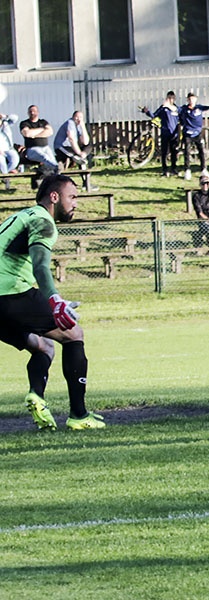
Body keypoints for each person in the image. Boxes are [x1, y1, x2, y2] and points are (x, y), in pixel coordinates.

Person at [0, 174, 105, 430]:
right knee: (73, 334)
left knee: (44, 346)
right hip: (10, 294)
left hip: (5, 300)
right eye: (72, 197)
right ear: (54, 197)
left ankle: (36, 396)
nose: (76, 203)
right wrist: (55, 300)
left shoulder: (20, 216)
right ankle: (79, 416)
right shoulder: (43, 222)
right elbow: (40, 266)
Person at [179, 92, 209, 180]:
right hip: (188, 134)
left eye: (193, 99)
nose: (191, 101)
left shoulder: (199, 108)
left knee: (201, 151)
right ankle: (187, 170)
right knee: (187, 152)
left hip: (197, 133)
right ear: (188, 100)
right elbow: (176, 110)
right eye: (190, 99)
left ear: (196, 99)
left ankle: (204, 169)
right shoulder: (184, 109)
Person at [140, 91, 180, 177]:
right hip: (165, 133)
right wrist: (147, 111)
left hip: (174, 134)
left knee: (174, 151)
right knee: (164, 152)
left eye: (171, 98)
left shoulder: (176, 108)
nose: (169, 100)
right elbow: (154, 115)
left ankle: (174, 168)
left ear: (174, 99)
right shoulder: (163, 108)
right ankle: (165, 170)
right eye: (168, 98)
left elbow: (181, 117)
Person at [18, 105, 58, 172]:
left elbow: (50, 132)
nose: (32, 113)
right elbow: (27, 133)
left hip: (46, 147)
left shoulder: (43, 122)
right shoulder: (24, 123)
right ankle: (56, 168)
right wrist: (42, 129)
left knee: (52, 158)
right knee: (44, 157)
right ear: (28, 113)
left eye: (34, 111)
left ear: (38, 112)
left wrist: (34, 135)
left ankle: (56, 174)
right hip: (32, 149)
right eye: (30, 111)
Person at [0, 113, 21, 190]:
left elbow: (15, 118)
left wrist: (5, 116)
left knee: (15, 160)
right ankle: (7, 182)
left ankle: (4, 176)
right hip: (0, 151)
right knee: (1, 162)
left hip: (9, 148)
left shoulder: (6, 123)